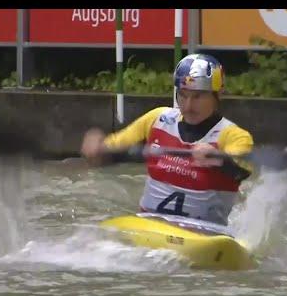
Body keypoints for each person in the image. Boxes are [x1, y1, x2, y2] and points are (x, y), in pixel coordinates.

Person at [81, 53, 255, 226]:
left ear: (218, 94)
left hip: (206, 234)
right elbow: (115, 146)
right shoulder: (157, 119)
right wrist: (100, 148)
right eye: (183, 95)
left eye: (198, 97)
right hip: (151, 226)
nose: (188, 106)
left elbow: (243, 169)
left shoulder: (234, 135)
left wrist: (218, 158)